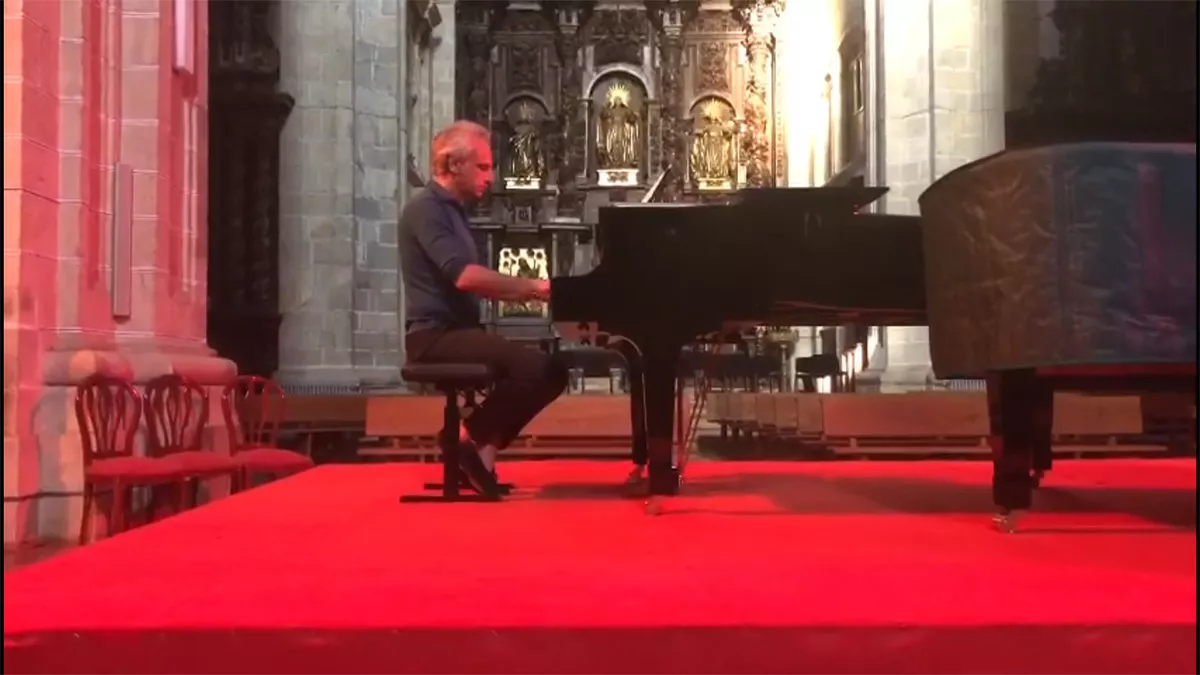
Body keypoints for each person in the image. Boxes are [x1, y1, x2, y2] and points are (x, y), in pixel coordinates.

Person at [399, 120, 568, 496]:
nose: (491, 177)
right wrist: (534, 287)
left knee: (554, 371)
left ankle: (478, 454)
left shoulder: (454, 211)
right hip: (434, 337)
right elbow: (463, 276)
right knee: (534, 367)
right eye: (483, 166)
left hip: (460, 333)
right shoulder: (426, 208)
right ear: (453, 164)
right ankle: (461, 439)